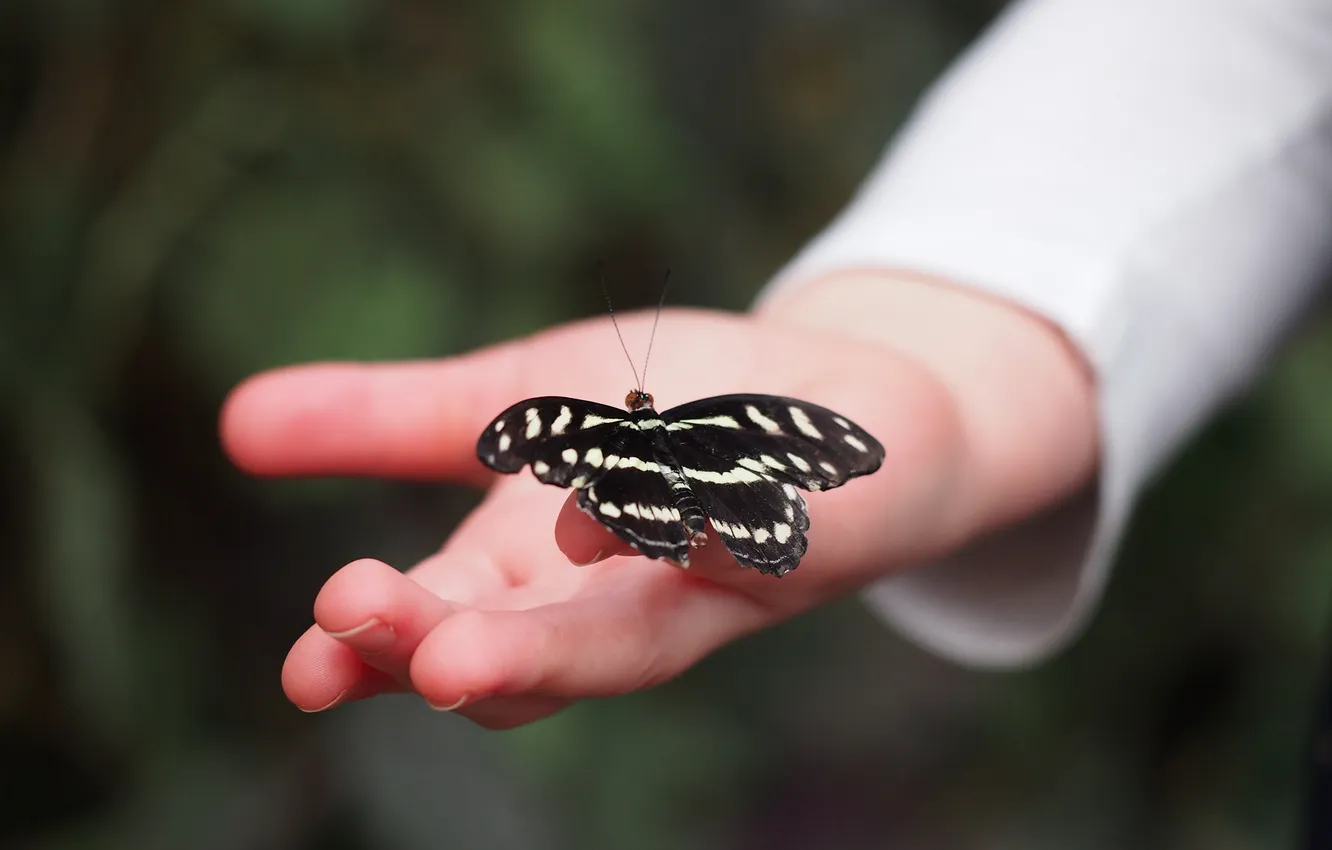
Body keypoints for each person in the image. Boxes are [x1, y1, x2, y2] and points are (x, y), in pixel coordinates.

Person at [220, 0, 1332, 731]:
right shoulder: (696, 425)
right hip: (685, 476)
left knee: (633, 496)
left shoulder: (604, 428)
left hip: (640, 479)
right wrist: (943, 336)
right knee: (655, 501)